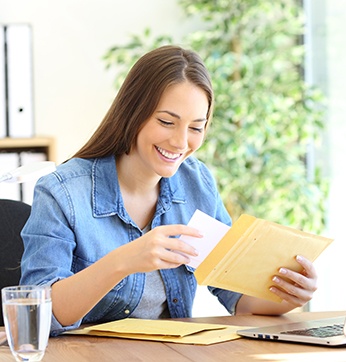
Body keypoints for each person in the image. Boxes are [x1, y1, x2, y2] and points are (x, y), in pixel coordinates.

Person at [20, 45, 318, 336]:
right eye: (166, 122)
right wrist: (124, 261)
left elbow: (235, 295)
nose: (180, 142)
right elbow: (37, 315)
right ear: (133, 113)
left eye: (196, 128)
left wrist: (288, 296)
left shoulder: (196, 183)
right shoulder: (62, 192)